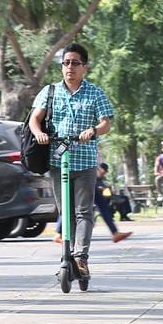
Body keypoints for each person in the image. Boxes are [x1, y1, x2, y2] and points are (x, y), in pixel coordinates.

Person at [29, 43, 115, 279]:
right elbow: (35, 119)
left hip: (85, 160)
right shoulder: (50, 91)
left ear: (84, 67)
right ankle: (67, 254)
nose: (70, 67)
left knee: (83, 211)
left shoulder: (95, 93)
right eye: (66, 63)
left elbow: (106, 122)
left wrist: (94, 130)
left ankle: (80, 258)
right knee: (65, 212)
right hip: (59, 160)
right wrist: (39, 133)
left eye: (75, 63)